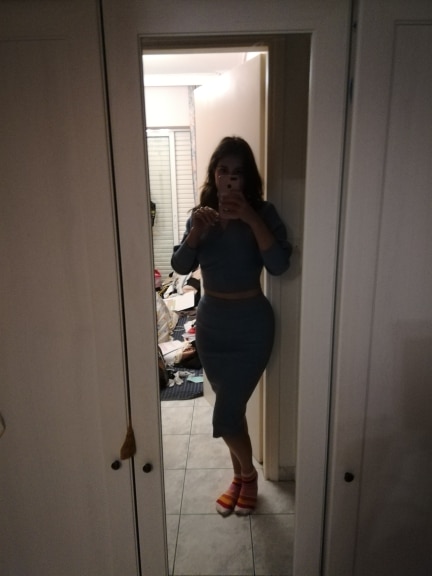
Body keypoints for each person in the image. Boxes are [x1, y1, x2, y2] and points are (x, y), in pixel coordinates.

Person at [171, 136, 292, 516]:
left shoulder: (264, 213)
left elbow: (279, 266)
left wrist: (251, 218)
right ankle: (239, 477)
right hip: (211, 325)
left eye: (237, 173)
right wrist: (195, 232)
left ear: (247, 178)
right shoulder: (201, 216)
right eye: (223, 170)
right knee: (232, 409)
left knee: (225, 414)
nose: (229, 179)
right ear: (214, 174)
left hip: (252, 327)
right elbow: (180, 266)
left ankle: (249, 477)